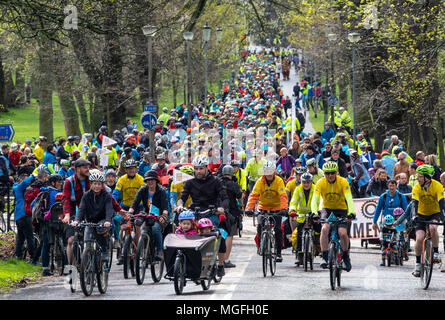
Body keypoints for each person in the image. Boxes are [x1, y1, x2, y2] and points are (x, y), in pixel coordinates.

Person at [175, 155, 229, 277]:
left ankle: (220, 264)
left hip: (211, 213)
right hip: (195, 213)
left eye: (201, 169)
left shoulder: (216, 181)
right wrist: (179, 205)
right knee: (184, 233)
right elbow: (182, 197)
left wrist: (222, 208)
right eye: (196, 169)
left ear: (206, 168)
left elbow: (224, 197)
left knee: (218, 236)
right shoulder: (190, 182)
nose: (198, 171)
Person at [311, 161, 355, 271]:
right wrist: (314, 212)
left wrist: (351, 212)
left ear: (336, 173)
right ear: (324, 174)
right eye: (327, 173)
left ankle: (346, 257)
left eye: (332, 173)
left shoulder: (343, 182)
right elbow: (315, 200)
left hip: (342, 209)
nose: (330, 175)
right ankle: (325, 257)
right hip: (327, 209)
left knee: (342, 233)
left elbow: (349, 199)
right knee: (325, 229)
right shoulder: (320, 183)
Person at [245, 161, 288, 262]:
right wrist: (248, 208)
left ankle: (278, 253)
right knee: (260, 225)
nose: (268, 174)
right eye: (266, 172)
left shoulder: (279, 181)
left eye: (270, 171)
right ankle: (261, 246)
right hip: (263, 207)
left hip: (277, 208)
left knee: (277, 229)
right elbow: (253, 195)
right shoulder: (260, 181)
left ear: (274, 172)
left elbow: (283, 196)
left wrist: (284, 209)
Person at [71, 170, 113, 263]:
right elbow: (81, 209)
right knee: (87, 241)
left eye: (99, 184)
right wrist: (77, 220)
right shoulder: (86, 195)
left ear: (102, 185)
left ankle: (105, 250)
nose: (97, 186)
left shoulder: (107, 195)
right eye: (95, 184)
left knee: (101, 233)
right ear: (91, 184)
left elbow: (109, 209)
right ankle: (88, 261)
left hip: (102, 220)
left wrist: (108, 220)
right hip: (90, 220)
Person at [411, 164, 445, 277]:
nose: (418, 178)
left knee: (432, 227)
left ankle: (435, 252)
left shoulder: (437, 186)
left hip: (434, 213)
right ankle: (417, 264)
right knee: (419, 238)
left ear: (427, 177)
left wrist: (444, 217)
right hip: (421, 214)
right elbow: (414, 203)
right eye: (417, 176)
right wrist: (414, 216)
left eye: (420, 176)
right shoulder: (416, 187)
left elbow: (442, 203)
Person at [128, 170, 169, 260]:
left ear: (156, 181)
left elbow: (165, 208)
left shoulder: (161, 191)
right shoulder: (142, 190)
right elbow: (135, 203)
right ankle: (143, 251)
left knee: (155, 229)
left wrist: (163, 216)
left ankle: (159, 250)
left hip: (159, 216)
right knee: (142, 230)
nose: (150, 182)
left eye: (152, 180)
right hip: (147, 215)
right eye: (148, 180)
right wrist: (130, 213)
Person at [289, 172, 321, 265]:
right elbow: (293, 202)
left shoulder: (315, 189)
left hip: (313, 214)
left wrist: (318, 211)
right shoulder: (297, 189)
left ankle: (318, 248)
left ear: (311, 182)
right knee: (299, 234)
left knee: (318, 231)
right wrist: (292, 211)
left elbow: (319, 200)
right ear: (301, 182)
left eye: (308, 182)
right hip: (301, 215)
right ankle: (300, 255)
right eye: (304, 182)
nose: (306, 184)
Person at [35, 175, 64, 276]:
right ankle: (63, 266)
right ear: (53, 183)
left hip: (50, 222)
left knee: (46, 244)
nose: (61, 183)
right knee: (58, 243)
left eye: (61, 181)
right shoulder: (50, 193)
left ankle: (46, 268)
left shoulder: (45, 192)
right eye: (59, 182)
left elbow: (33, 206)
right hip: (55, 222)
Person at [218, 165, 243, 268]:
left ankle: (217, 258)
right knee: (229, 235)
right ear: (232, 174)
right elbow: (240, 197)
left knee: (218, 234)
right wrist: (242, 207)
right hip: (231, 213)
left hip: (218, 211)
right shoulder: (233, 184)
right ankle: (225, 260)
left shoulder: (217, 182)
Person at [13, 173, 40, 264]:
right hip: (24, 215)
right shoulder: (18, 188)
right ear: (20, 180)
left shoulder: (19, 189)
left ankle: (18, 256)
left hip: (19, 216)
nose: (28, 185)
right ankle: (33, 258)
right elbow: (24, 183)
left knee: (20, 237)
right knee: (30, 237)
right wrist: (32, 176)